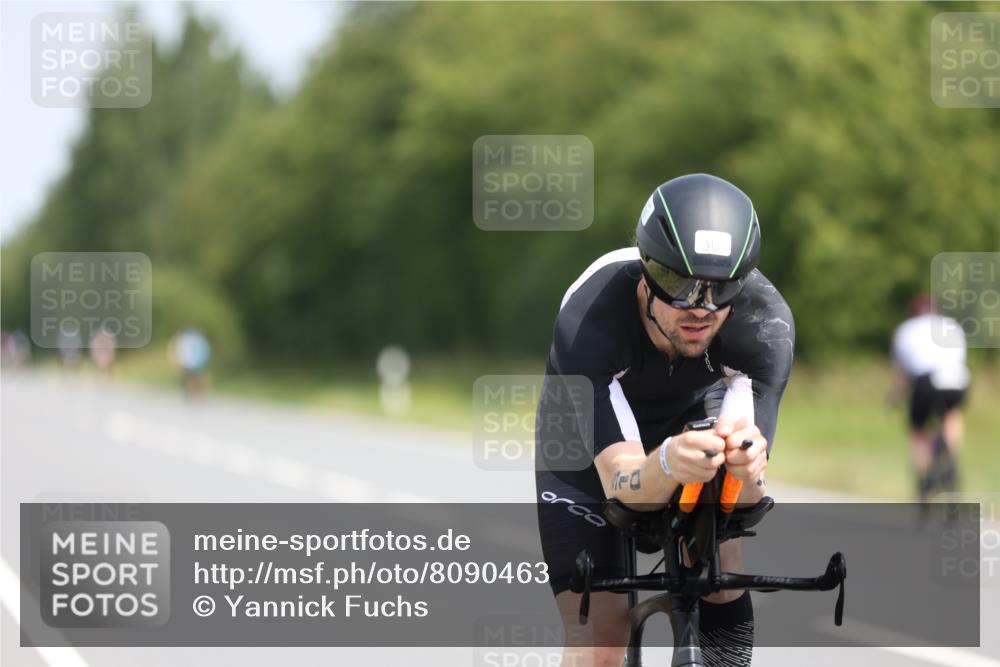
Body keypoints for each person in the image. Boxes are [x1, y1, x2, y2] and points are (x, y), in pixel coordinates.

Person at [535, 173, 794, 667]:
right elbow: (622, 481)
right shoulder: (590, 317)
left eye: (722, 289)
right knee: (600, 640)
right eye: (678, 283)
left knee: (720, 565)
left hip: (692, 409)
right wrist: (671, 462)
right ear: (647, 271)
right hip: (584, 437)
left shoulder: (765, 324)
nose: (700, 308)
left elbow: (753, 487)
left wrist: (747, 469)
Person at [889, 294, 969, 504]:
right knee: (952, 414)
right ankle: (949, 457)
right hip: (956, 378)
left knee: (919, 429)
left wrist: (894, 397)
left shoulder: (906, 330)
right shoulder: (951, 326)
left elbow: (902, 373)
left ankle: (924, 476)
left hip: (926, 380)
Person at [167, 326, 212, 398]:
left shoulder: (186, 340)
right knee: (193, 379)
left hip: (190, 362)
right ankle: (194, 395)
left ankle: (194, 395)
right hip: (193, 362)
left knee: (192, 379)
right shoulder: (196, 339)